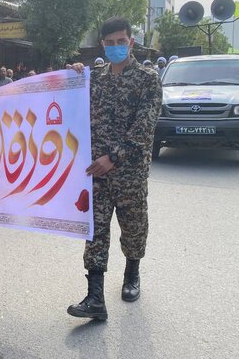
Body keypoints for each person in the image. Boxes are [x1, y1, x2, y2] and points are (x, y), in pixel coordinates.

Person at [67, 17, 162, 321]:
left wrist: (114, 157)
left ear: (131, 43)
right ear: (103, 45)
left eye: (122, 41)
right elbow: (69, 104)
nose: (117, 47)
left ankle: (132, 274)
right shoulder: (94, 78)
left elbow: (144, 128)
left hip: (129, 171)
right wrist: (72, 76)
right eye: (111, 42)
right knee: (94, 229)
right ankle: (95, 297)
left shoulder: (147, 79)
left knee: (133, 226)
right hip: (96, 171)